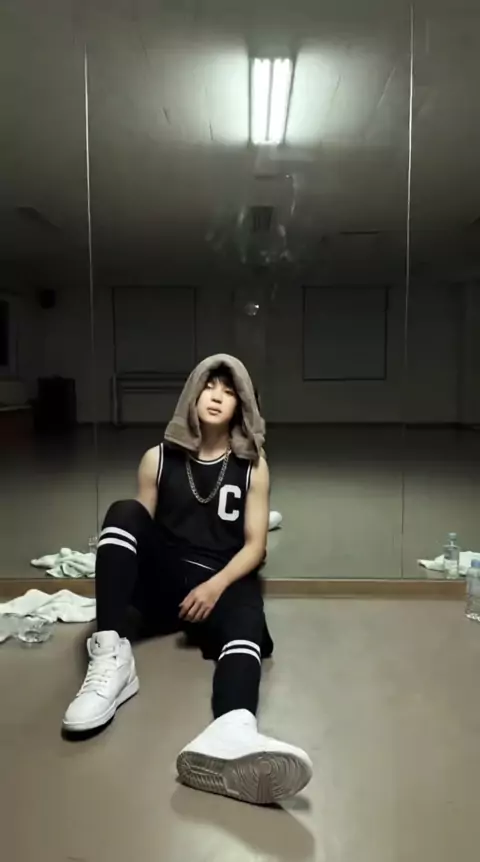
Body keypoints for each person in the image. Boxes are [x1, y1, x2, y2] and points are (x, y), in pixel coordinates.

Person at [63, 354, 312, 805]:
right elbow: (138, 534)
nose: (216, 397)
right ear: (192, 395)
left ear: (241, 406)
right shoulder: (157, 459)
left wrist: (215, 586)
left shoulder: (253, 465)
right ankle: (111, 658)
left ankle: (232, 731)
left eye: (229, 391)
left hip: (221, 580)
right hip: (167, 582)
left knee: (247, 621)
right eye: (209, 386)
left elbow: (255, 547)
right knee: (124, 512)